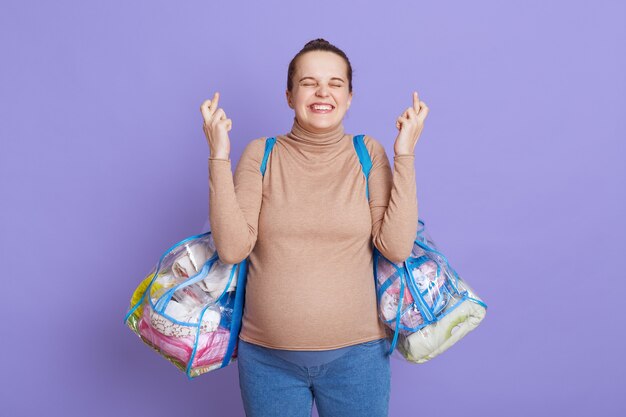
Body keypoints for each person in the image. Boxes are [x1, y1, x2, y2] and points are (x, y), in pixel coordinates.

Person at [200, 38, 429, 417]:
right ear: (289, 95)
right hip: (267, 362)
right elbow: (232, 248)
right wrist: (218, 157)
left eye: (335, 83)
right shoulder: (261, 152)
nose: (323, 91)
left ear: (350, 96)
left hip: (358, 361)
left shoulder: (368, 153)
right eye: (308, 82)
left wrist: (405, 152)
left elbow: (396, 247)